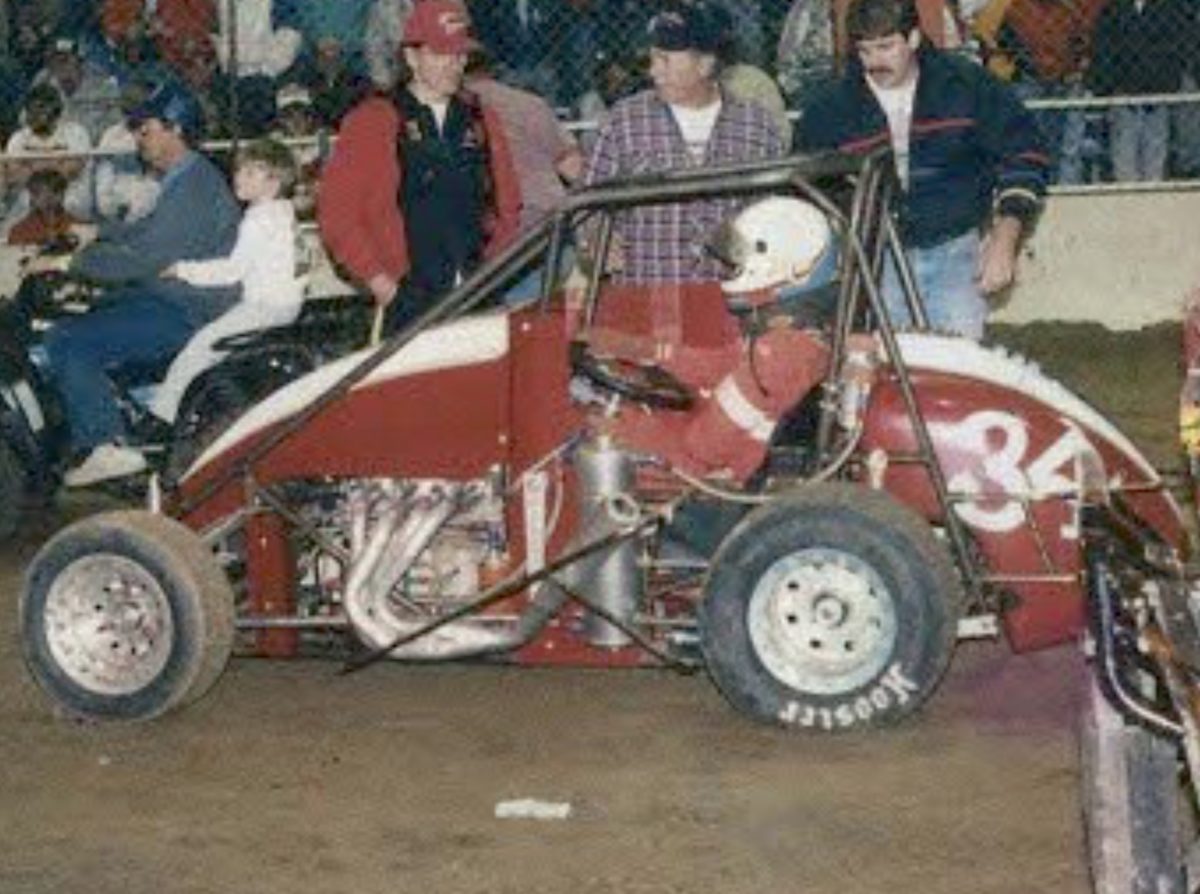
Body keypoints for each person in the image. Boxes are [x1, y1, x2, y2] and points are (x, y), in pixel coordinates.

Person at [796, 0, 1049, 338]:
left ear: (914, 38)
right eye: (865, 50)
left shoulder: (966, 87)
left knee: (959, 368)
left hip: (955, 249)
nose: (875, 62)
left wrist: (1006, 236)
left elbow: (1025, 154)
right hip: (876, 261)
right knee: (892, 369)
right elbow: (806, 191)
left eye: (886, 47)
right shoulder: (828, 113)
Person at [37, 83, 241, 486]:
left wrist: (71, 261)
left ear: (175, 129)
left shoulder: (195, 184)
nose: (138, 138)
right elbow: (142, 231)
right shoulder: (185, 179)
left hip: (186, 309)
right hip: (172, 299)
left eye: (145, 130)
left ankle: (106, 442)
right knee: (93, 310)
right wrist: (96, 232)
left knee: (66, 339)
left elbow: (145, 257)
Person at [317, 0, 521, 334]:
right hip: (408, 300)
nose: (454, 65)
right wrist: (383, 284)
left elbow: (508, 203)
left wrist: (492, 270)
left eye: (460, 55)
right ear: (411, 57)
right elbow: (338, 214)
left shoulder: (481, 118)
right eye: (441, 54)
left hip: (477, 293)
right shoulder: (375, 119)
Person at [607, 196, 842, 482]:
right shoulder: (789, 332)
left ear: (786, 264)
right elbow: (722, 364)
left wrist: (631, 426)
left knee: (596, 441)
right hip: (719, 454)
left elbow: (705, 448)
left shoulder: (780, 352)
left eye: (740, 257)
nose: (730, 267)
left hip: (720, 478)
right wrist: (648, 352)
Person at [583, 0, 788, 285]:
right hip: (646, 293)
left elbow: (772, 212)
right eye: (652, 59)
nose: (654, 71)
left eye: (665, 60)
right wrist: (596, 238)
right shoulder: (624, 122)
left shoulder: (755, 126)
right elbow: (587, 203)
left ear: (705, 65)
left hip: (729, 295)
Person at [150, 139, 303, 424]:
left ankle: (162, 416)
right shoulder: (283, 211)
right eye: (239, 170)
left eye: (250, 173)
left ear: (273, 183)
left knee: (200, 346)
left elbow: (232, 271)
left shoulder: (258, 219)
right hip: (286, 305)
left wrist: (181, 270)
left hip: (265, 307)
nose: (238, 177)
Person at [1087, 0, 1195, 182]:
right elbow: (1105, 50)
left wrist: (1167, 84)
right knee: (1123, 152)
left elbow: (1176, 49)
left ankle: (1153, 196)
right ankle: (1126, 197)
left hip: (1158, 92)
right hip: (1123, 94)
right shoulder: (1114, 10)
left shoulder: (1168, 9)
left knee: (1156, 153)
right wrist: (1110, 86)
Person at [4, 83, 93, 230]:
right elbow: (16, 175)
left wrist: (32, 165)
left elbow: (70, 171)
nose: (33, 114)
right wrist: (54, 162)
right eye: (30, 109)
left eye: (40, 108)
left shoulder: (76, 132)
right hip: (29, 198)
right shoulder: (18, 138)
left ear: (56, 110)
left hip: (70, 194)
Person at [7, 168, 76, 246]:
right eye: (39, 193)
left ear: (63, 194)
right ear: (32, 197)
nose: (48, 199)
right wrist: (41, 240)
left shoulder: (73, 223)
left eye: (55, 191)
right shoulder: (20, 230)